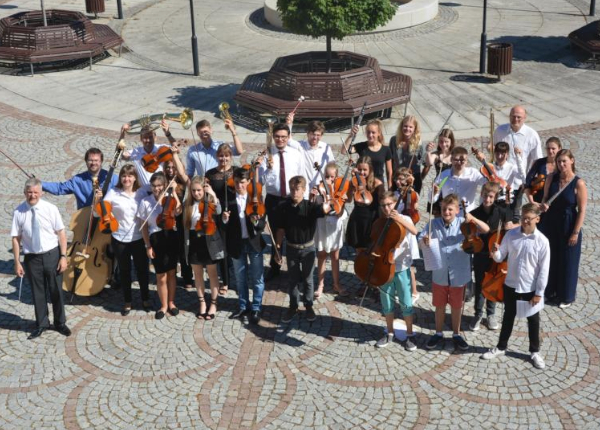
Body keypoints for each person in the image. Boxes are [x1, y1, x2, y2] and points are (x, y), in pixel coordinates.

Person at [481, 203, 550, 369]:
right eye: (524, 218)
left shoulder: (542, 241)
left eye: (529, 219)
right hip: (511, 283)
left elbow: (544, 270)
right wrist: (494, 251)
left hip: (530, 287)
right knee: (508, 317)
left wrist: (539, 292)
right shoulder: (511, 235)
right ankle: (501, 347)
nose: (525, 221)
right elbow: (499, 257)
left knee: (533, 320)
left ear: (537, 219)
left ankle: (534, 351)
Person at [419, 194, 489, 351]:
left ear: (457, 210)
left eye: (450, 209)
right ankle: (438, 333)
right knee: (439, 306)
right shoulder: (433, 223)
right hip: (439, 272)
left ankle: (456, 333)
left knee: (457, 306)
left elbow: (485, 229)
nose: (446, 212)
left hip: (459, 273)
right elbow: (420, 237)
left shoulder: (465, 225)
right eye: (444, 209)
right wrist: (424, 240)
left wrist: (472, 218)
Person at [11, 177, 71, 340]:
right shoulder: (18, 212)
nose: (32, 195)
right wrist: (17, 261)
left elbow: (61, 233)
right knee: (38, 293)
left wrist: (63, 256)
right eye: (29, 192)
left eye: (36, 192)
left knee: (56, 291)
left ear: (41, 193)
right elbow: (16, 238)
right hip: (32, 258)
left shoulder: (50, 209)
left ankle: (60, 323)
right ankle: (42, 323)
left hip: (52, 255)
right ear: (24, 193)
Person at [172, 148, 225, 320]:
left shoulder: (209, 202)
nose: (196, 193)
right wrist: (174, 194)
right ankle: (202, 301)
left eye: (199, 190)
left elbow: (218, 210)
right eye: (194, 191)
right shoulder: (188, 205)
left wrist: (212, 194)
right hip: (194, 241)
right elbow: (177, 213)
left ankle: (214, 303)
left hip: (209, 241)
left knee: (212, 274)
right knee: (198, 275)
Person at [276, 176, 331, 323]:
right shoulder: (284, 207)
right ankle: (293, 306)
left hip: (308, 249)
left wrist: (326, 200)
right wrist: (278, 247)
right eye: (292, 189)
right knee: (293, 280)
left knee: (307, 279)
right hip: (292, 248)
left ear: (304, 190)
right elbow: (280, 229)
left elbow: (325, 209)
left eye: (297, 189)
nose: (294, 192)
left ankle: (308, 305)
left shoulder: (310, 207)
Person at [539, 149, 587, 308]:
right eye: (559, 162)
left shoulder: (578, 183)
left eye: (564, 161)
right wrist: (543, 205)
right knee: (550, 258)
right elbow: (545, 198)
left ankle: (566, 296)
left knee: (568, 261)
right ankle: (550, 291)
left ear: (572, 161)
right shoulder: (551, 178)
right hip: (551, 223)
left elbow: (582, 210)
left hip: (568, 223)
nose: (561, 164)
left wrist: (575, 232)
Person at [258, 122, 305, 281]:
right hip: (274, 200)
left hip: (292, 199)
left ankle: (294, 268)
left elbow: (302, 177)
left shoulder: (296, 154)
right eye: (277, 136)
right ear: (273, 137)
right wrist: (266, 168)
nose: (280, 140)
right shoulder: (267, 154)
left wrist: (301, 200)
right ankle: (275, 267)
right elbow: (260, 181)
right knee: (275, 235)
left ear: (288, 137)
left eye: (284, 137)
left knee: (293, 235)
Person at [373, 191, 420, 351]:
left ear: (396, 204)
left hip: (401, 268)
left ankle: (410, 334)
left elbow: (414, 231)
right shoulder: (380, 222)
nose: (387, 208)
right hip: (384, 268)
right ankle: (389, 332)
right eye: (383, 205)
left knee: (406, 303)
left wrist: (397, 218)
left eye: (389, 204)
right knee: (386, 303)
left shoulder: (404, 218)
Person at [102, 165, 150, 315]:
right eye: (124, 176)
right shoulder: (113, 193)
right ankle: (127, 301)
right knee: (124, 271)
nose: (126, 179)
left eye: (130, 176)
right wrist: (99, 201)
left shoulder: (141, 192)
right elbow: (101, 213)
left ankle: (145, 298)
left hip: (138, 237)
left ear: (135, 177)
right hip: (120, 238)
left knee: (142, 270)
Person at [223, 167, 266, 325]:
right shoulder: (229, 199)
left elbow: (262, 225)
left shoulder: (256, 198)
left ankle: (256, 306)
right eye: (236, 183)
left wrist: (256, 221)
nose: (239, 186)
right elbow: (224, 225)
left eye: (242, 182)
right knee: (240, 279)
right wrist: (225, 219)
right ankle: (243, 305)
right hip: (236, 243)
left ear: (248, 182)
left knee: (257, 278)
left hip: (253, 242)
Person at [468, 182, 513, 331]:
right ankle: (478, 314)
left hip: (496, 255)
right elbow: (471, 235)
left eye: (491, 196)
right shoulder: (474, 213)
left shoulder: (502, 212)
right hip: (481, 254)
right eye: (485, 195)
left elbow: (508, 232)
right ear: (481, 195)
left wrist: (502, 246)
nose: (487, 199)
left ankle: (491, 314)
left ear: (495, 197)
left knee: (494, 282)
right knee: (480, 284)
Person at [138, 172, 182, 320]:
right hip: (155, 239)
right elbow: (144, 227)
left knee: (171, 273)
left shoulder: (169, 200)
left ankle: (171, 303)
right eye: (154, 186)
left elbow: (178, 210)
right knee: (160, 275)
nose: (156, 189)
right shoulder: (145, 202)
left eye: (159, 186)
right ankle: (163, 305)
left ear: (164, 185)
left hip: (171, 236)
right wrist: (147, 246)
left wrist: (173, 192)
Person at [312, 162, 349, 298]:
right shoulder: (319, 187)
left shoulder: (340, 188)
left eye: (332, 177)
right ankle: (320, 285)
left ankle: (336, 284)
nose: (329, 179)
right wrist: (314, 196)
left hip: (335, 224)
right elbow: (316, 207)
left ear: (337, 176)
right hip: (322, 223)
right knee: (321, 255)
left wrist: (343, 201)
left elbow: (341, 210)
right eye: (327, 176)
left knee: (335, 256)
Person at [205, 143, 237, 296]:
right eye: (221, 155)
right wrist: (210, 192)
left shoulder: (236, 171)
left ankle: (237, 273)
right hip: (217, 212)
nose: (223, 158)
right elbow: (206, 195)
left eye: (226, 155)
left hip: (234, 211)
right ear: (216, 156)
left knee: (234, 244)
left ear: (230, 157)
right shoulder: (210, 173)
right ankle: (225, 281)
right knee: (222, 246)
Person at [42, 147, 118, 209]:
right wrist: (39, 184)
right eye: (90, 160)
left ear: (101, 161)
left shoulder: (112, 178)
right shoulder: (78, 180)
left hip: (108, 220)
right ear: (86, 161)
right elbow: (60, 188)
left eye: (96, 160)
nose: (93, 163)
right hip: (86, 220)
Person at [286, 114, 335, 197]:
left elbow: (332, 166)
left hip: (321, 189)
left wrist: (329, 180)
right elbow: (289, 140)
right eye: (313, 134)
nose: (315, 137)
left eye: (318, 135)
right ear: (308, 133)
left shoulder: (326, 147)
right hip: (305, 189)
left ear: (321, 135)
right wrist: (289, 124)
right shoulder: (300, 146)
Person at [162, 159, 194, 290]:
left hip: (180, 219)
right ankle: (171, 275)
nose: (170, 170)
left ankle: (187, 277)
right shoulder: (162, 182)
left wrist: (173, 191)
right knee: (169, 249)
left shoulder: (183, 183)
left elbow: (180, 206)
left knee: (183, 249)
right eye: (168, 167)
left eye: (173, 167)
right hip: (166, 218)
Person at [120, 121, 174, 193]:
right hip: (144, 193)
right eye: (145, 137)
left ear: (155, 138)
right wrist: (122, 134)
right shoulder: (136, 152)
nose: (148, 140)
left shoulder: (162, 148)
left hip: (161, 191)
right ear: (141, 139)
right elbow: (119, 154)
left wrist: (168, 133)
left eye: (150, 137)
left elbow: (176, 147)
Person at [345, 156, 384, 252]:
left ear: (370, 169)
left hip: (372, 219)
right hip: (358, 219)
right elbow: (349, 200)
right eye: (359, 169)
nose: (362, 172)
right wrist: (352, 186)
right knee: (359, 251)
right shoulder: (354, 182)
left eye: (365, 170)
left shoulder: (377, 183)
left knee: (372, 250)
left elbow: (383, 202)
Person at [433, 146, 487, 214]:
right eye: (456, 159)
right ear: (451, 160)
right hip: (449, 215)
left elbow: (490, 183)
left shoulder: (473, 173)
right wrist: (434, 193)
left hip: (469, 214)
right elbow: (432, 199)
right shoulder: (443, 175)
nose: (459, 163)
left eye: (462, 160)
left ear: (466, 161)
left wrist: (484, 162)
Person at [342, 119, 392, 187]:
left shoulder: (386, 149)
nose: (370, 135)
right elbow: (344, 151)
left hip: (378, 185)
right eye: (368, 132)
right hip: (363, 183)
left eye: (373, 132)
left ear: (379, 133)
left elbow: (389, 172)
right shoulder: (361, 146)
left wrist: (390, 188)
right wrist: (351, 135)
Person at [493, 105, 542, 171]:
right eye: (513, 116)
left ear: (524, 118)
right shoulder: (500, 130)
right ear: (509, 116)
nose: (515, 119)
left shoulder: (532, 135)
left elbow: (537, 159)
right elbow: (494, 148)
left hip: (520, 177)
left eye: (519, 117)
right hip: (501, 174)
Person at [389, 115, 427, 193]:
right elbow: (390, 161)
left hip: (412, 179)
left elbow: (426, 164)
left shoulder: (419, 143)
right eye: (405, 126)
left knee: (411, 203)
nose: (407, 129)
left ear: (414, 129)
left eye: (410, 127)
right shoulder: (394, 140)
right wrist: (390, 180)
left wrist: (420, 178)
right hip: (398, 179)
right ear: (401, 126)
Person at [524, 137, 561, 205]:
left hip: (556, 202)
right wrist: (531, 201)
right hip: (539, 201)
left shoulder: (562, 164)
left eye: (553, 148)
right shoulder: (539, 163)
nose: (550, 151)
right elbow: (527, 182)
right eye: (548, 148)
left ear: (559, 148)